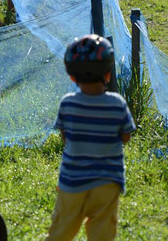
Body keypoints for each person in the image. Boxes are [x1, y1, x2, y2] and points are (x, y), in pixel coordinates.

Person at [46, 34, 136, 241]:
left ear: (72, 76)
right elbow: (125, 137)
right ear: (107, 74)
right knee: (102, 233)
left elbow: (65, 137)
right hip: (108, 181)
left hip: (72, 182)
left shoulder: (67, 103)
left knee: (61, 230)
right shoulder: (117, 103)